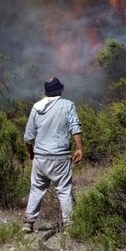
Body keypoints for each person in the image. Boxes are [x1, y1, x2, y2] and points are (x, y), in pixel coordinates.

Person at [22, 77, 82, 233]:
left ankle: (28, 223)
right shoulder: (68, 105)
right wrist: (79, 148)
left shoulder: (36, 107)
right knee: (64, 190)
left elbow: (28, 137)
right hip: (60, 157)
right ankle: (69, 225)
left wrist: (31, 154)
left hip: (40, 157)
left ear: (46, 92)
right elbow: (75, 127)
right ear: (60, 90)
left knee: (36, 189)